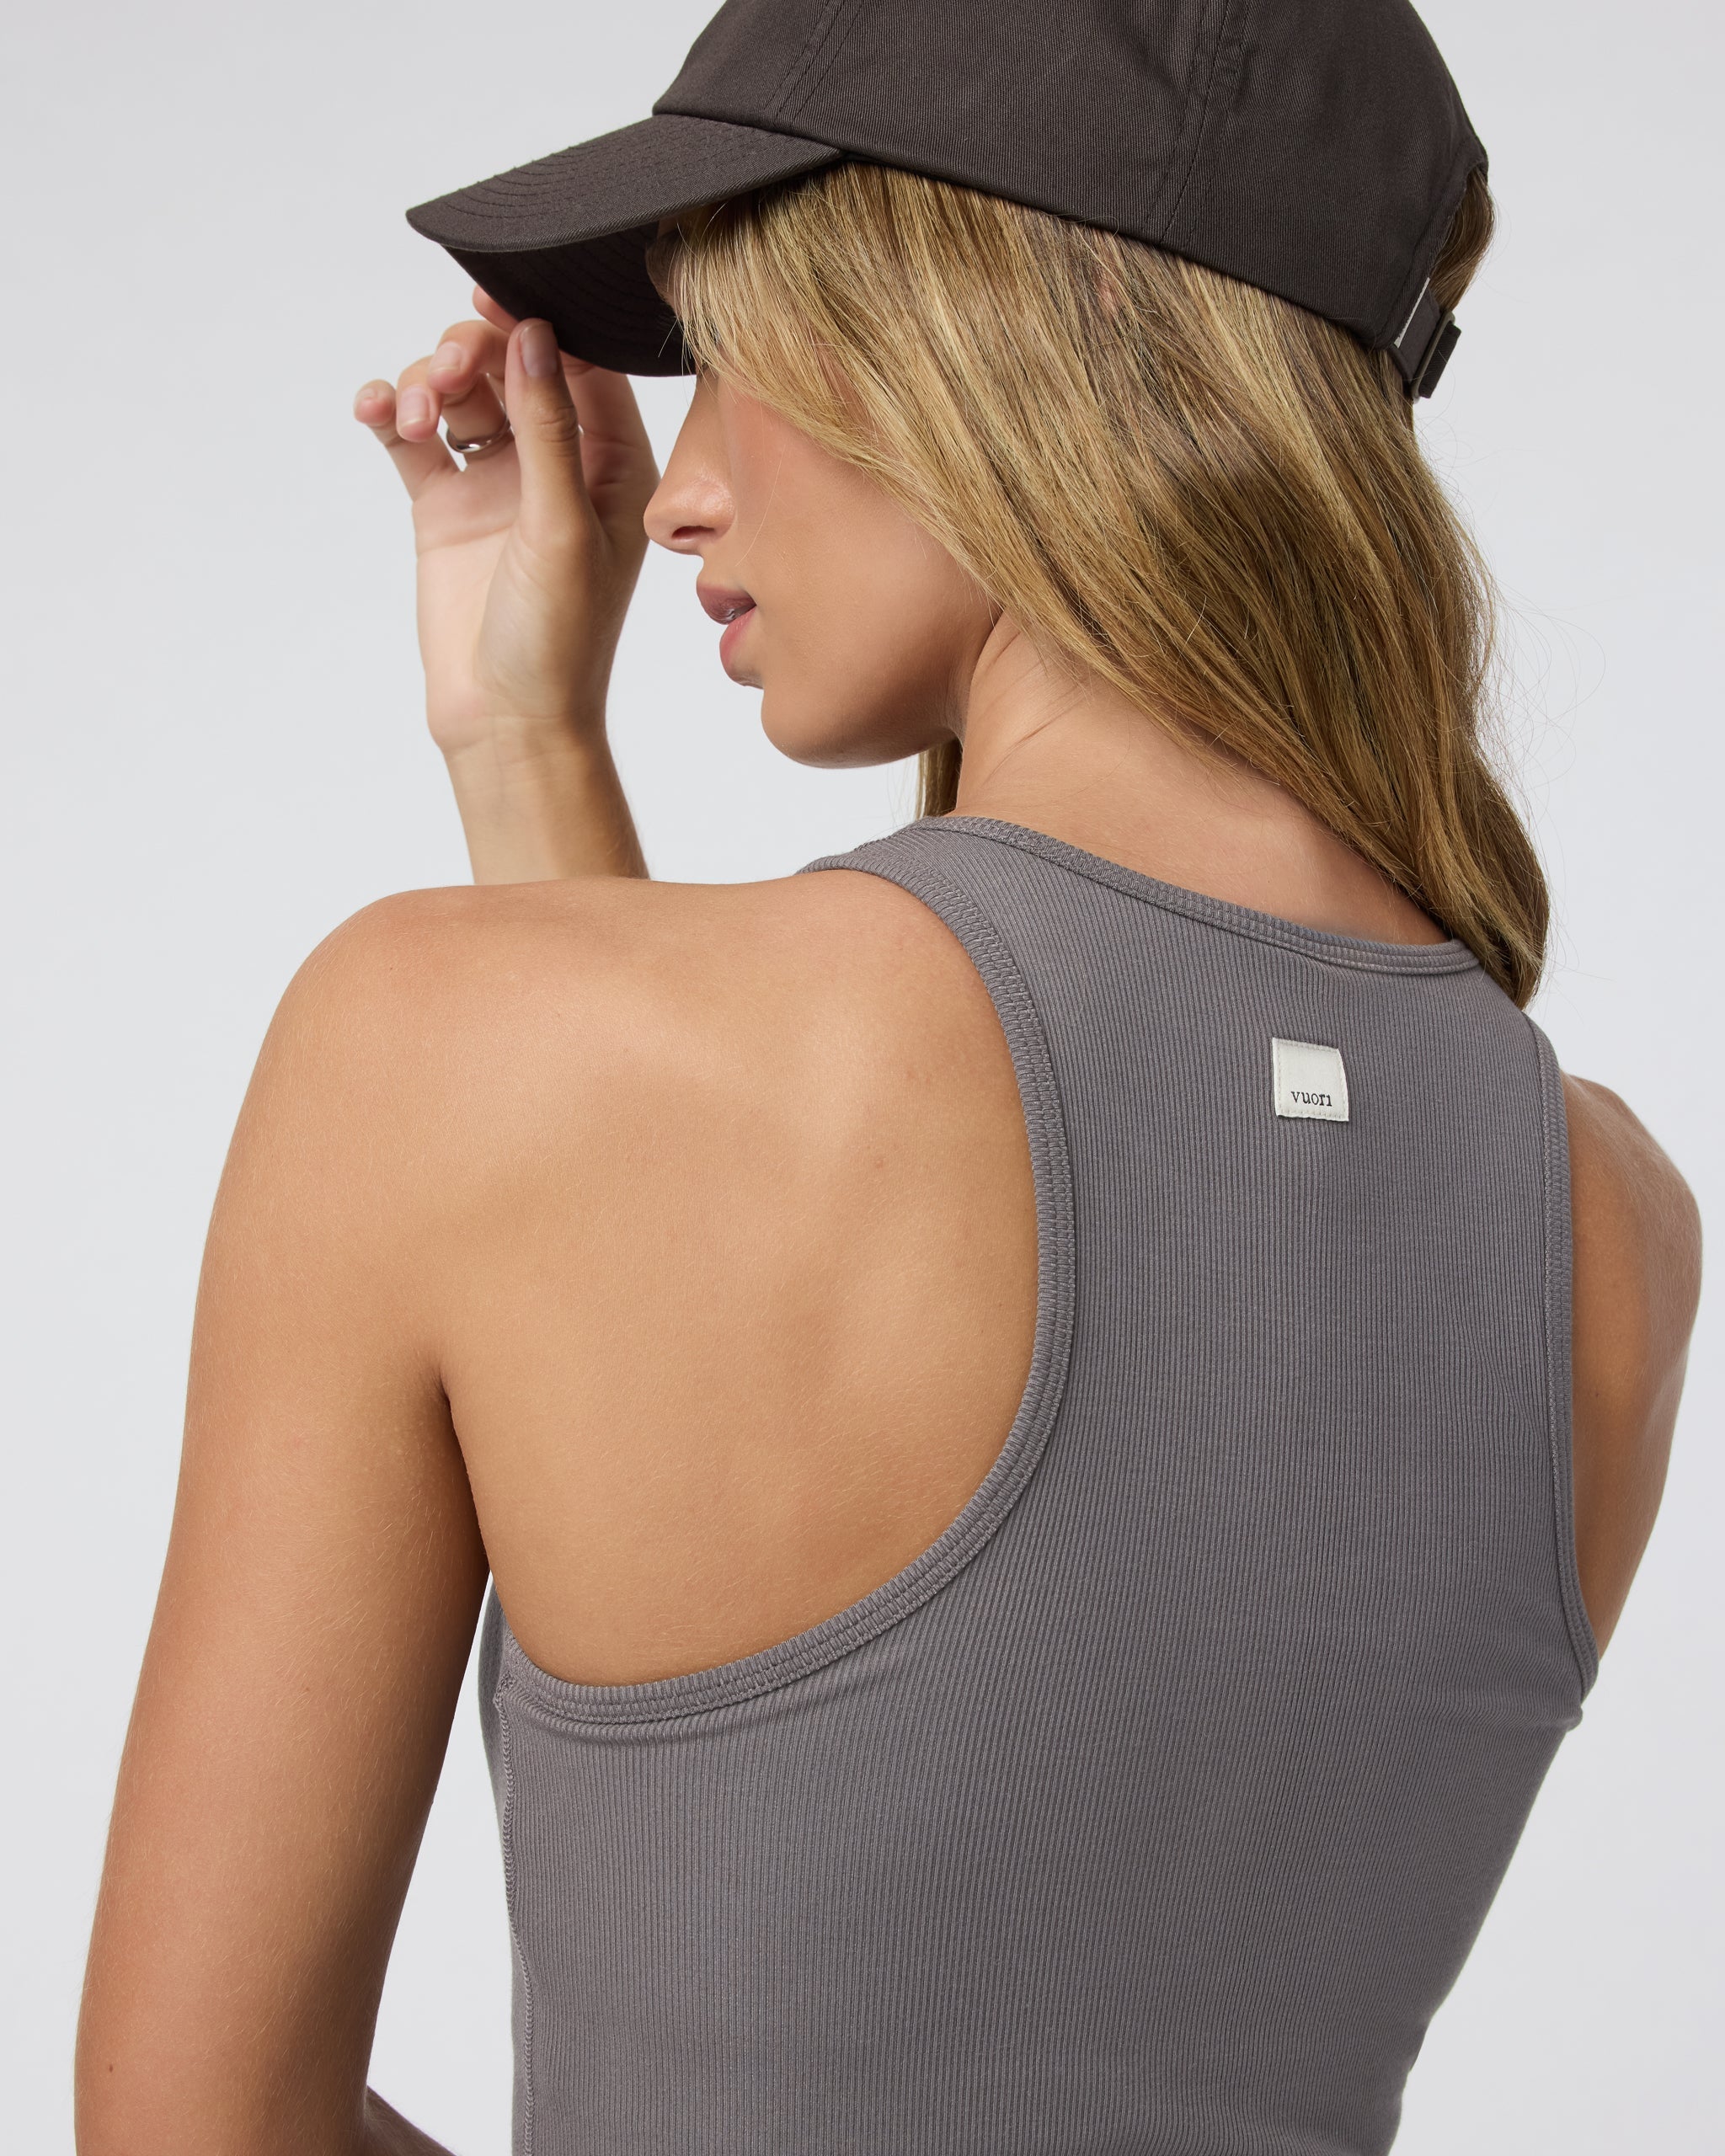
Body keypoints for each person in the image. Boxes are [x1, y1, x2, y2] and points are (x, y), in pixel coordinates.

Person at [76, 3, 1701, 2153]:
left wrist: (516, 752)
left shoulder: (427, 1036)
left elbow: (195, 2124)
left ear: (1026, 333)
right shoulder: (1603, 1221)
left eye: (741, 345)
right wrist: (532, 757)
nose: (685, 488)